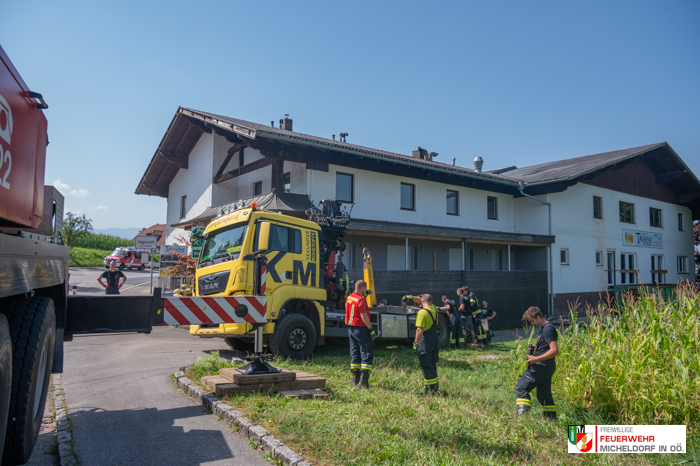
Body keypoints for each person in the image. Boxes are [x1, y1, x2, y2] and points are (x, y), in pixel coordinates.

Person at [515, 306, 559, 420]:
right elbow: (547, 347)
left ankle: (523, 418)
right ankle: (551, 420)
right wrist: (536, 348)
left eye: (532, 321)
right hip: (547, 366)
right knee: (543, 395)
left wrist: (536, 359)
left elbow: (554, 350)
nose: (532, 323)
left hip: (541, 366)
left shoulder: (548, 329)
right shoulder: (545, 328)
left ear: (539, 317)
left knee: (521, 388)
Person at [345, 280, 375, 388]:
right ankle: (363, 382)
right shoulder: (361, 300)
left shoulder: (349, 297)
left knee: (355, 353)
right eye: (365, 290)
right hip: (361, 329)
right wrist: (371, 329)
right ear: (362, 288)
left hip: (351, 330)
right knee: (366, 353)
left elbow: (354, 307)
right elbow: (363, 316)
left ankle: (355, 379)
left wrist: (364, 295)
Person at [413, 294, 440, 394]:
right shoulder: (434, 308)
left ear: (422, 302)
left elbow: (420, 330)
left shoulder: (422, 313)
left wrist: (415, 343)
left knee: (426, 364)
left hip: (426, 341)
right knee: (432, 363)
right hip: (435, 340)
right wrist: (411, 297)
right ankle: (436, 387)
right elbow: (423, 301)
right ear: (431, 301)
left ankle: (430, 391)